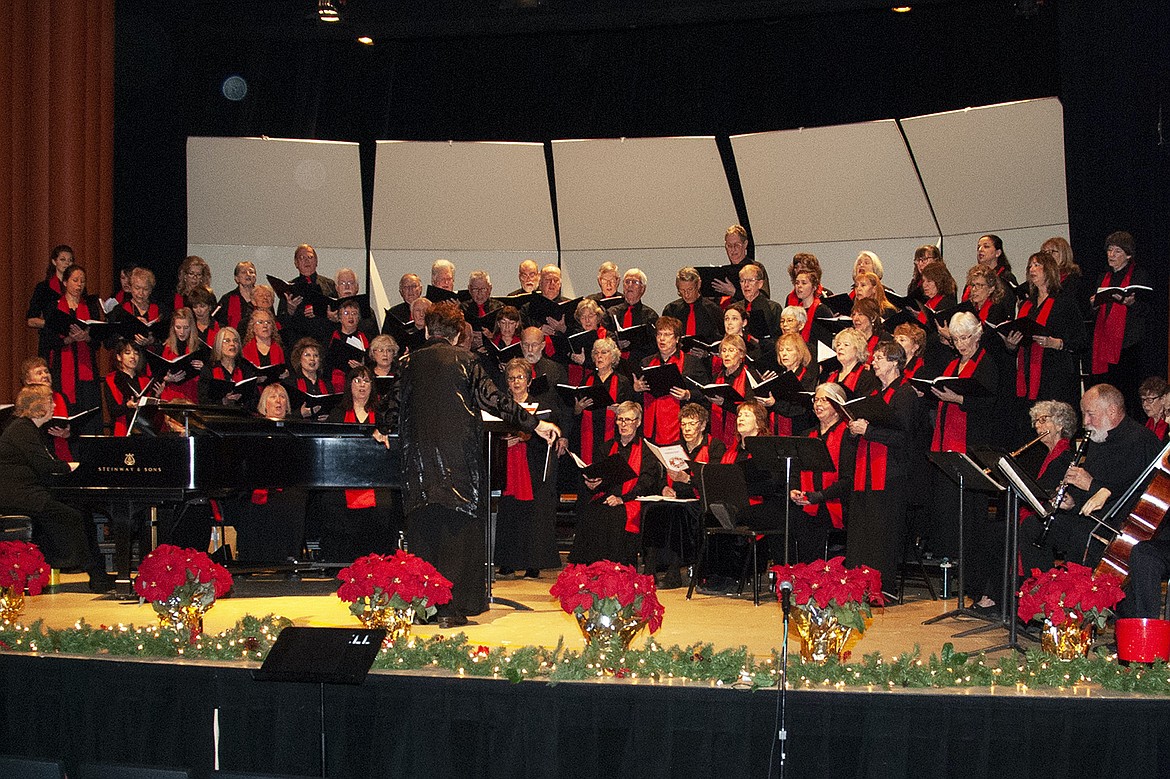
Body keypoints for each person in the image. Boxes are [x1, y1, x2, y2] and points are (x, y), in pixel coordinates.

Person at [392, 301, 560, 627]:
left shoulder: (407, 363)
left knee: (423, 533)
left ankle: (422, 607)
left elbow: (391, 408)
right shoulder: (466, 361)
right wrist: (535, 424)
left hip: (417, 463)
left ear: (427, 330)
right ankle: (450, 609)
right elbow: (494, 400)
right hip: (457, 461)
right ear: (457, 335)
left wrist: (385, 431)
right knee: (456, 532)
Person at [1020, 384, 1162, 575]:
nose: (1085, 422)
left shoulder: (1141, 440)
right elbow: (1087, 491)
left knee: (1081, 534)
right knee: (1033, 526)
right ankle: (1044, 590)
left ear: (1111, 411)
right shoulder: (1097, 438)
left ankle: (1080, 598)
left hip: (1121, 525)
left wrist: (1091, 485)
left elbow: (1133, 494)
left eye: (1090, 414)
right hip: (1089, 517)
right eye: (1084, 414)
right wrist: (1072, 502)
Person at [0, 385, 113, 592]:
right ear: (37, 406)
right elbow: (45, 465)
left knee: (81, 510)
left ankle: (98, 575)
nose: (54, 405)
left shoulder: (30, 429)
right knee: (72, 515)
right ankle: (90, 572)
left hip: (29, 491)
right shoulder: (22, 429)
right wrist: (73, 466)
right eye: (50, 401)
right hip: (19, 495)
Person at [929, 311, 1002, 608]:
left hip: (972, 445)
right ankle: (961, 579)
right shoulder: (953, 363)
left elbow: (991, 403)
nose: (960, 344)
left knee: (973, 518)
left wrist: (958, 400)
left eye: (965, 338)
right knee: (954, 516)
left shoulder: (986, 363)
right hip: (949, 444)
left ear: (978, 334)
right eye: (956, 339)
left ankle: (976, 584)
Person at [844, 341, 918, 596]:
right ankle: (857, 582)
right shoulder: (876, 393)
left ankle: (880, 585)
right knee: (861, 528)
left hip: (890, 471)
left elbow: (903, 437)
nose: (873, 362)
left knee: (882, 530)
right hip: (866, 468)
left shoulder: (905, 394)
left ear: (895, 362)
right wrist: (856, 430)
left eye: (879, 357)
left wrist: (870, 431)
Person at [494, 358, 564, 579]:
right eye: (512, 378)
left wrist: (526, 438)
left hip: (532, 466)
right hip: (508, 466)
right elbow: (492, 433)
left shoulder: (540, 406)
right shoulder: (502, 405)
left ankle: (533, 564)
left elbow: (549, 435)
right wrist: (505, 441)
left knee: (532, 515)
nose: (516, 382)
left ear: (529, 381)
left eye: (520, 378)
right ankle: (508, 562)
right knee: (510, 512)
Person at [320, 366, 398, 564]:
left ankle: (380, 562)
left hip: (377, 478)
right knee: (332, 505)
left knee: (385, 506)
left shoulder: (383, 414)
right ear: (349, 385)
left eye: (366, 381)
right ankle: (342, 563)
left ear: (373, 386)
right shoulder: (337, 414)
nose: (362, 385)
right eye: (357, 380)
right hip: (344, 480)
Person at [569, 400, 661, 566]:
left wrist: (622, 499)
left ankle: (616, 569)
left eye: (628, 420)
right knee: (591, 512)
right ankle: (591, 568)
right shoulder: (607, 447)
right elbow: (601, 478)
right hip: (607, 496)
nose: (623, 424)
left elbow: (646, 483)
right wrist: (593, 484)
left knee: (616, 516)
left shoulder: (647, 450)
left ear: (638, 422)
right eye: (620, 419)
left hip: (632, 499)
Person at [650, 402, 725, 588]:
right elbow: (662, 476)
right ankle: (650, 571)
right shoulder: (676, 446)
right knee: (652, 511)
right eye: (683, 424)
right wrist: (663, 489)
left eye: (692, 424)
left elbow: (714, 480)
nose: (687, 429)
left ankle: (674, 571)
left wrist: (688, 480)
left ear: (703, 425)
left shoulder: (715, 446)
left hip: (701, 500)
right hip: (676, 497)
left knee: (680, 513)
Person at [1003, 251, 1086, 416]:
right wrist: (1011, 344)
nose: (1032, 269)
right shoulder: (1027, 304)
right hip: (1028, 374)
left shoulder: (1064, 302)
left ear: (1049, 270)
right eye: (1030, 266)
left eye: (1037, 265)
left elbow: (1082, 340)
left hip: (1055, 374)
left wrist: (1057, 343)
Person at [789, 384, 856, 562]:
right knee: (789, 516)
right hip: (808, 501)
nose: (818, 404)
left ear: (838, 407)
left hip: (836, 502)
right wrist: (794, 489)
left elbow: (848, 479)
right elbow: (796, 468)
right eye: (816, 399)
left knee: (814, 521)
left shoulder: (848, 435)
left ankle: (818, 578)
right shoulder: (807, 435)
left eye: (824, 400)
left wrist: (819, 496)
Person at [1090, 231, 1151, 415]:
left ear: (1128, 255)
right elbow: (1096, 314)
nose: (1111, 255)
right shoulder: (1103, 277)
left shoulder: (1139, 275)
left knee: (1128, 394)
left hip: (1128, 345)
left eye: (1117, 251)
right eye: (1109, 250)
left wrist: (1132, 304)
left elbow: (1148, 310)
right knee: (1107, 393)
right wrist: (1094, 303)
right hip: (1105, 344)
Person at [47, 265, 103, 435]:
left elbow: (98, 342)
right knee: (68, 412)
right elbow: (48, 341)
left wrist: (87, 337)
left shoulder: (91, 307)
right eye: (75, 280)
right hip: (62, 369)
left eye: (83, 281)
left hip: (87, 371)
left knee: (89, 414)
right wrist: (69, 339)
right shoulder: (54, 306)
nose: (79, 285)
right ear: (65, 282)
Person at [634, 316, 704, 445]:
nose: (662, 338)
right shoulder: (646, 362)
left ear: (677, 339)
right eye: (659, 334)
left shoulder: (691, 363)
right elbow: (638, 398)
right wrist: (637, 389)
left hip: (679, 427)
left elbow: (704, 393)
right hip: (651, 427)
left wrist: (688, 394)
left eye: (667, 334)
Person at [572, 337, 634, 465]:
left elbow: (632, 411)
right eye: (596, 353)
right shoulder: (586, 381)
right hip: (589, 434)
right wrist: (578, 410)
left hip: (612, 435)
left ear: (613, 357)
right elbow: (576, 415)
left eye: (604, 352)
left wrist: (621, 411)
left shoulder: (623, 382)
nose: (599, 356)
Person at [278, 244, 337, 345]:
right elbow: (281, 322)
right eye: (302, 258)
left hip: (324, 341)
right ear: (296, 263)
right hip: (298, 343)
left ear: (316, 261)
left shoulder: (329, 285)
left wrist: (326, 314)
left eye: (310, 257)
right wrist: (290, 311)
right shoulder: (288, 288)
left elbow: (337, 313)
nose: (306, 260)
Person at [20, 357, 74, 461]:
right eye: (39, 373)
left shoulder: (61, 396)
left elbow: (73, 427)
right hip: (41, 455)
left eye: (46, 371)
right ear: (28, 380)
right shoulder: (25, 401)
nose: (45, 375)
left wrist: (68, 434)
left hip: (65, 453)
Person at [26, 244, 75, 358]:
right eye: (63, 260)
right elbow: (31, 320)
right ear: (54, 261)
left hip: (73, 342)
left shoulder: (78, 288)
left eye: (70, 260)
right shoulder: (43, 288)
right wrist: (53, 324)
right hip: (50, 342)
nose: (67, 263)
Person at [102, 339, 159, 436]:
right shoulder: (112, 379)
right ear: (119, 357)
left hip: (143, 430)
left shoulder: (145, 380)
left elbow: (150, 413)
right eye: (127, 353)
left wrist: (156, 396)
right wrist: (127, 406)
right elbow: (112, 410)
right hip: (122, 428)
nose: (133, 357)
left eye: (136, 353)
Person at [662, 267, 724, 355]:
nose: (686, 294)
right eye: (682, 290)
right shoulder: (671, 310)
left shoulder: (713, 310)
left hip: (705, 363)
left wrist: (708, 354)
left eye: (690, 289)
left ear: (698, 285)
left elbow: (721, 341)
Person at [770, 333, 817, 436]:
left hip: (799, 430)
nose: (784, 354)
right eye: (781, 350)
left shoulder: (808, 377)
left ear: (799, 352)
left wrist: (775, 404)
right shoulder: (777, 377)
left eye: (789, 350)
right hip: (775, 427)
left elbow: (800, 409)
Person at [199, 327, 256, 409]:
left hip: (241, 417)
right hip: (216, 418)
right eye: (227, 341)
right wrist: (223, 401)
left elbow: (254, 398)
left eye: (235, 341)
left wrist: (241, 399)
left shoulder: (245, 368)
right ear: (219, 345)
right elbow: (203, 400)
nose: (232, 344)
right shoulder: (208, 370)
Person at [611, 268, 659, 365]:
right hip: (614, 365)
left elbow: (654, 345)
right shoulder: (611, 313)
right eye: (627, 282)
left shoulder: (650, 316)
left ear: (642, 288)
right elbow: (603, 337)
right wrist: (615, 343)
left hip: (639, 364)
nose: (630, 285)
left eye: (635, 282)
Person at [159, 307, 204, 403]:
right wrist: (167, 378)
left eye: (186, 328)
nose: (182, 332)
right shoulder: (166, 347)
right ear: (173, 327)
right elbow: (159, 374)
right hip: (171, 395)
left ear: (192, 327)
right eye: (178, 327)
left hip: (191, 394)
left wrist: (203, 368)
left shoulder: (199, 347)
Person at [284, 337, 331, 420]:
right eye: (307, 355)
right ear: (299, 359)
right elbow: (284, 413)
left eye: (316, 355)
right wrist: (300, 413)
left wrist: (329, 417)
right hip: (299, 427)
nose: (312, 359)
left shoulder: (327, 384)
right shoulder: (290, 384)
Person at [827, 327, 880, 398]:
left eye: (846, 344)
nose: (840, 348)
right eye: (838, 345)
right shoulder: (832, 376)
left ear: (858, 349)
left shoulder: (866, 376)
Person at [216, 260, 257, 331]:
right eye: (243, 272)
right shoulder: (227, 298)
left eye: (251, 272)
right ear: (236, 278)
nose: (248, 274)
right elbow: (216, 321)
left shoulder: (263, 296)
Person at [1138, 377, 1169, 441]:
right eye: (1143, 400)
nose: (1144, 404)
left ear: (1163, 399)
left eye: (1149, 400)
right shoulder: (1148, 423)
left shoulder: (1168, 424)